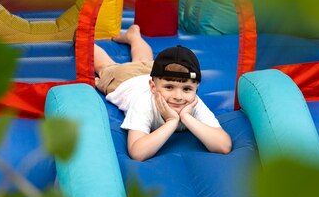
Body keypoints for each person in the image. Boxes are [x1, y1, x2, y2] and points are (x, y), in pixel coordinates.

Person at [94, 24, 232, 161]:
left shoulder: (193, 103)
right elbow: (137, 152)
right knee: (104, 66)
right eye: (169, 87)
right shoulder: (144, 103)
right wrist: (172, 121)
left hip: (151, 70)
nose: (178, 97)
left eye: (187, 89)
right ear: (153, 87)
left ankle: (134, 36)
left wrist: (186, 117)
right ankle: (86, 43)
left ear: (196, 88)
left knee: (144, 60)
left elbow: (224, 146)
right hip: (124, 79)